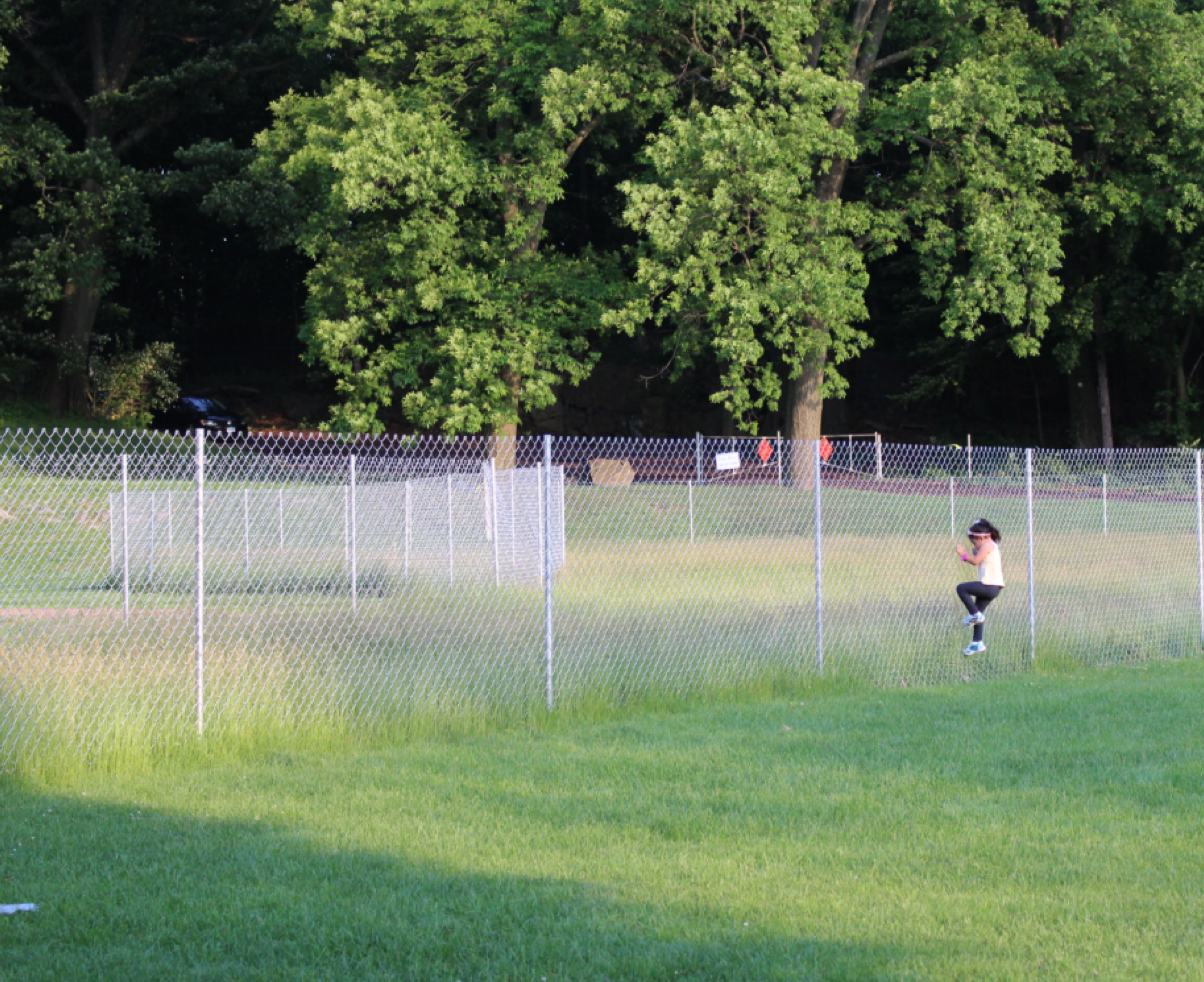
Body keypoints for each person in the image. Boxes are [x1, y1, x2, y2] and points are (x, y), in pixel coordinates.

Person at [955, 518, 1004, 656]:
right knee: (979, 611)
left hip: (989, 585)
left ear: (982, 537)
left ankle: (974, 615)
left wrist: (963, 554)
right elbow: (980, 556)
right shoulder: (991, 545)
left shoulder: (987, 546)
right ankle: (977, 642)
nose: (974, 544)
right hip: (993, 587)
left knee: (961, 588)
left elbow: (976, 561)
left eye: (975, 541)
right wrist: (976, 549)